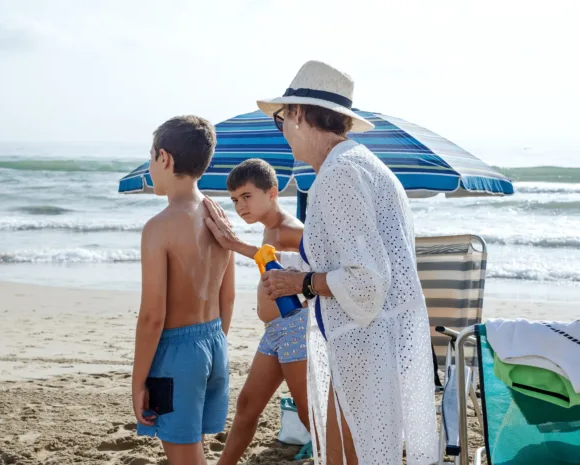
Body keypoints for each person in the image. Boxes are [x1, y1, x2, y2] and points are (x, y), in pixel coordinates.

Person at [204, 60, 438, 465]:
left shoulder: (339, 174)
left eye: (281, 120)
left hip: (363, 343)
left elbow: (366, 283)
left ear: (298, 114)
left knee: (342, 457)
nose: (282, 132)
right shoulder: (365, 165)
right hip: (377, 342)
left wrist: (303, 283)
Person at [132, 115, 235, 465]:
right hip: (215, 342)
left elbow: (152, 316)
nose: (150, 166)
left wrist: (138, 382)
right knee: (194, 448)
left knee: (183, 456)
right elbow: (228, 296)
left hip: (178, 354)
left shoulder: (158, 228)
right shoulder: (219, 217)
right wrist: (213, 344)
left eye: (150, 157)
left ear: (165, 158)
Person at [217, 159, 309, 465]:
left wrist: (233, 243)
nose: (240, 206)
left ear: (272, 193)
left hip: (296, 328)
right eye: (234, 200)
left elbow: (324, 266)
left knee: (309, 413)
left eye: (246, 196)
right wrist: (231, 243)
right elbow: (266, 259)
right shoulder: (270, 229)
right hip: (274, 331)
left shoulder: (289, 228)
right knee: (246, 405)